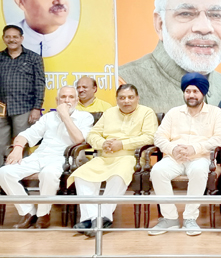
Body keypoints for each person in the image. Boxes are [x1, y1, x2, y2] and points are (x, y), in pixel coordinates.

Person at [119, 0, 221, 113]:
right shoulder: (121, 82)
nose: (204, 27)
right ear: (160, 24)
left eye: (216, 15)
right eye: (186, 13)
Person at [69, 84, 158, 237]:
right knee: (81, 175)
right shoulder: (110, 112)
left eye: (130, 97)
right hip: (105, 157)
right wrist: (102, 143)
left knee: (118, 175)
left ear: (137, 98)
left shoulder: (146, 112)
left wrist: (122, 144)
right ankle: (92, 218)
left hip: (130, 157)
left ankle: (102, 217)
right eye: (122, 98)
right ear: (117, 99)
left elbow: (150, 137)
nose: (126, 101)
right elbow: (92, 134)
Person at [0, 86, 92, 229]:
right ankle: (28, 212)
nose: (67, 100)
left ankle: (43, 214)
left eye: (71, 97)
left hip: (63, 158)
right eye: (63, 97)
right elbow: (27, 134)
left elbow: (79, 140)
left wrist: (65, 116)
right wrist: (18, 148)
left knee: (48, 173)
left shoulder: (85, 117)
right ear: (57, 100)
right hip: (40, 156)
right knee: (4, 172)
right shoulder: (49, 117)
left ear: (77, 100)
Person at [148, 73, 221, 236]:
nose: (191, 95)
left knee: (198, 171)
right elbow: (159, 137)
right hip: (174, 158)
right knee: (157, 171)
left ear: (203, 93)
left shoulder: (216, 113)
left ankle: (190, 218)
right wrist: (173, 149)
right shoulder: (173, 113)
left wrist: (195, 148)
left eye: (195, 91)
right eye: (188, 91)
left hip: (200, 157)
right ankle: (170, 218)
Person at [0, 24, 45, 162]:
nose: (11, 40)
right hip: (1, 109)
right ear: (3, 38)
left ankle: (21, 172)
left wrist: (37, 108)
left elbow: (39, 84)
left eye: (15, 37)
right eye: (8, 37)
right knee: (1, 145)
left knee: (21, 144)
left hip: (24, 108)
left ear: (21, 38)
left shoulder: (33, 58)